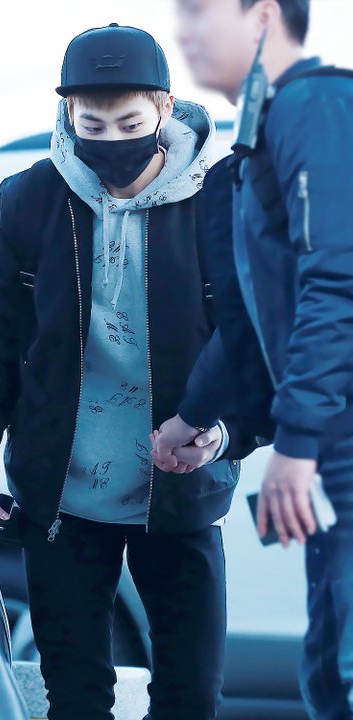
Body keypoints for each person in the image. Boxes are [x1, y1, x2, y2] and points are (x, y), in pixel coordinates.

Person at [0, 22, 258, 720]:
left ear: (164, 107)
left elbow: (256, 347)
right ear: (67, 111)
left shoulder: (223, 202)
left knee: (191, 696)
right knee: (75, 698)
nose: (110, 140)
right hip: (61, 498)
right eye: (91, 124)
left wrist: (223, 433)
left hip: (180, 491)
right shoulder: (26, 200)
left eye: (129, 124)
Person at [155, 1, 353, 716]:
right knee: (328, 673)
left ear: (265, 15)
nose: (183, 32)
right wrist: (194, 418)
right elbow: (249, 324)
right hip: (330, 451)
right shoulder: (249, 151)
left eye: (198, 11)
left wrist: (297, 442)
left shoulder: (317, 108)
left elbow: (338, 284)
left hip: (336, 441)